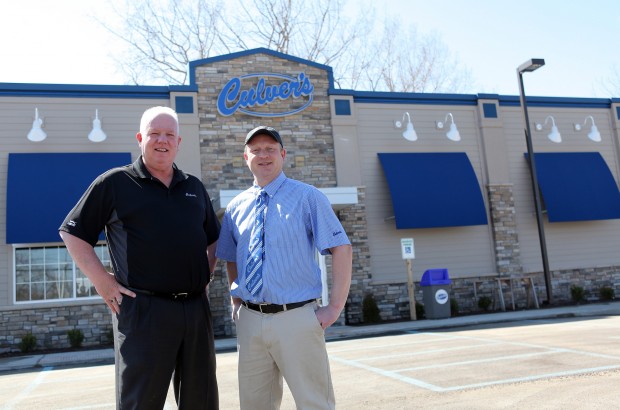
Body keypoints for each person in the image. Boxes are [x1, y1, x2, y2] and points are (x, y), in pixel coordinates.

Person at [58, 106, 220, 409]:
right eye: (154, 134)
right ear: (139, 138)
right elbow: (73, 233)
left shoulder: (193, 187)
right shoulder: (115, 183)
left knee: (201, 400)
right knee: (141, 402)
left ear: (179, 142)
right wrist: (103, 282)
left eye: (169, 134)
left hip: (196, 311)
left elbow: (214, 240)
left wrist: (205, 277)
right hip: (144, 310)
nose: (162, 140)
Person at [216, 125, 353, 410]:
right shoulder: (236, 207)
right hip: (251, 320)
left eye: (270, 149)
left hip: (297, 317)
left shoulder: (308, 197)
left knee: (315, 404)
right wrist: (236, 302)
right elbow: (231, 258)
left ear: (283, 154)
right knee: (254, 406)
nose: (263, 155)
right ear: (245, 157)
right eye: (256, 150)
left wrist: (334, 307)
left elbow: (341, 248)